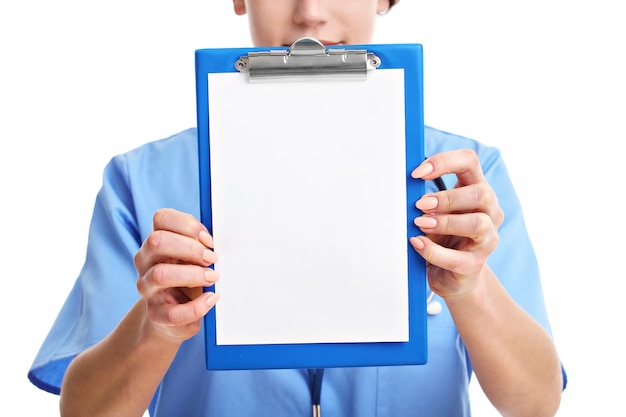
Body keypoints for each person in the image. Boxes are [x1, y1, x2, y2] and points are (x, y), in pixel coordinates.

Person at [28, 1, 566, 416]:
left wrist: (469, 287)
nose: (310, 11)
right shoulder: (140, 182)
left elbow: (535, 402)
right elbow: (84, 408)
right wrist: (157, 330)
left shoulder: (466, 181)